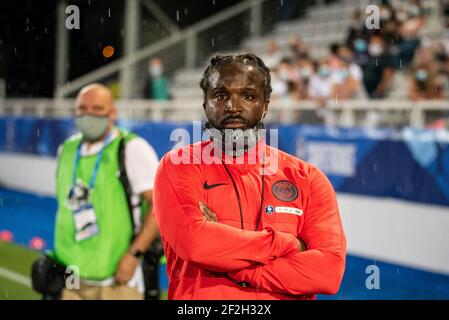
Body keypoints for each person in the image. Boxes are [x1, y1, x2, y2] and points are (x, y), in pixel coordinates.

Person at [153, 53, 346, 300]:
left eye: (248, 96)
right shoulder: (179, 166)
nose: (233, 107)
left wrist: (232, 265)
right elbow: (196, 244)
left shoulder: (307, 178)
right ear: (206, 104)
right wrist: (287, 244)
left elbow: (327, 274)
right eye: (221, 95)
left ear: (265, 105)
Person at [53, 83, 160, 300]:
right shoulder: (66, 150)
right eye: (82, 108)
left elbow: (159, 207)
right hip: (71, 272)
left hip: (117, 279)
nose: (88, 114)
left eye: (97, 109)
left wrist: (133, 255)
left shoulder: (131, 148)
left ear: (112, 113)